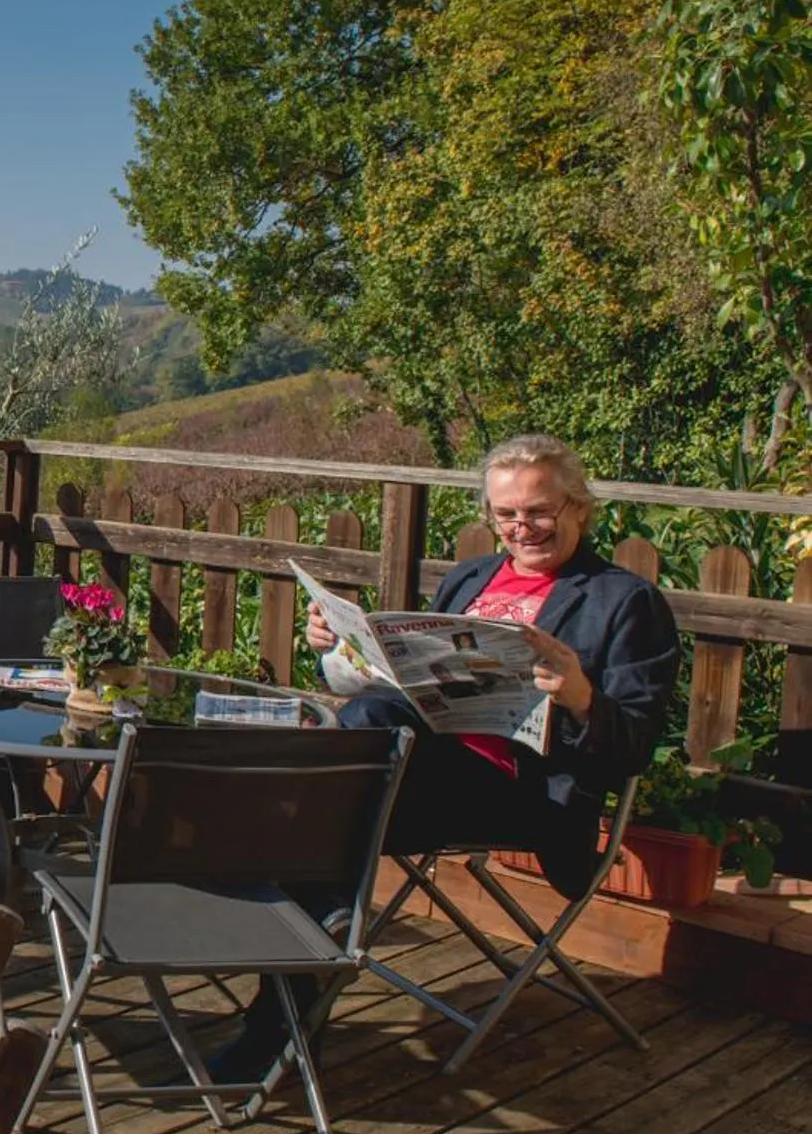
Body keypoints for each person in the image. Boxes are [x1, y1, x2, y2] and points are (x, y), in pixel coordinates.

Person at [212, 433, 681, 1080]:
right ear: (489, 516)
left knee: (316, 810)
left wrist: (578, 695)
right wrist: (341, 652)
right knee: (347, 773)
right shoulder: (469, 578)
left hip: (521, 787)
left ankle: (279, 1013)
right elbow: (404, 686)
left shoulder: (623, 602)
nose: (523, 527)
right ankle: (290, 1006)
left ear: (577, 507)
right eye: (506, 514)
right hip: (416, 771)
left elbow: (633, 746)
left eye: (539, 511)